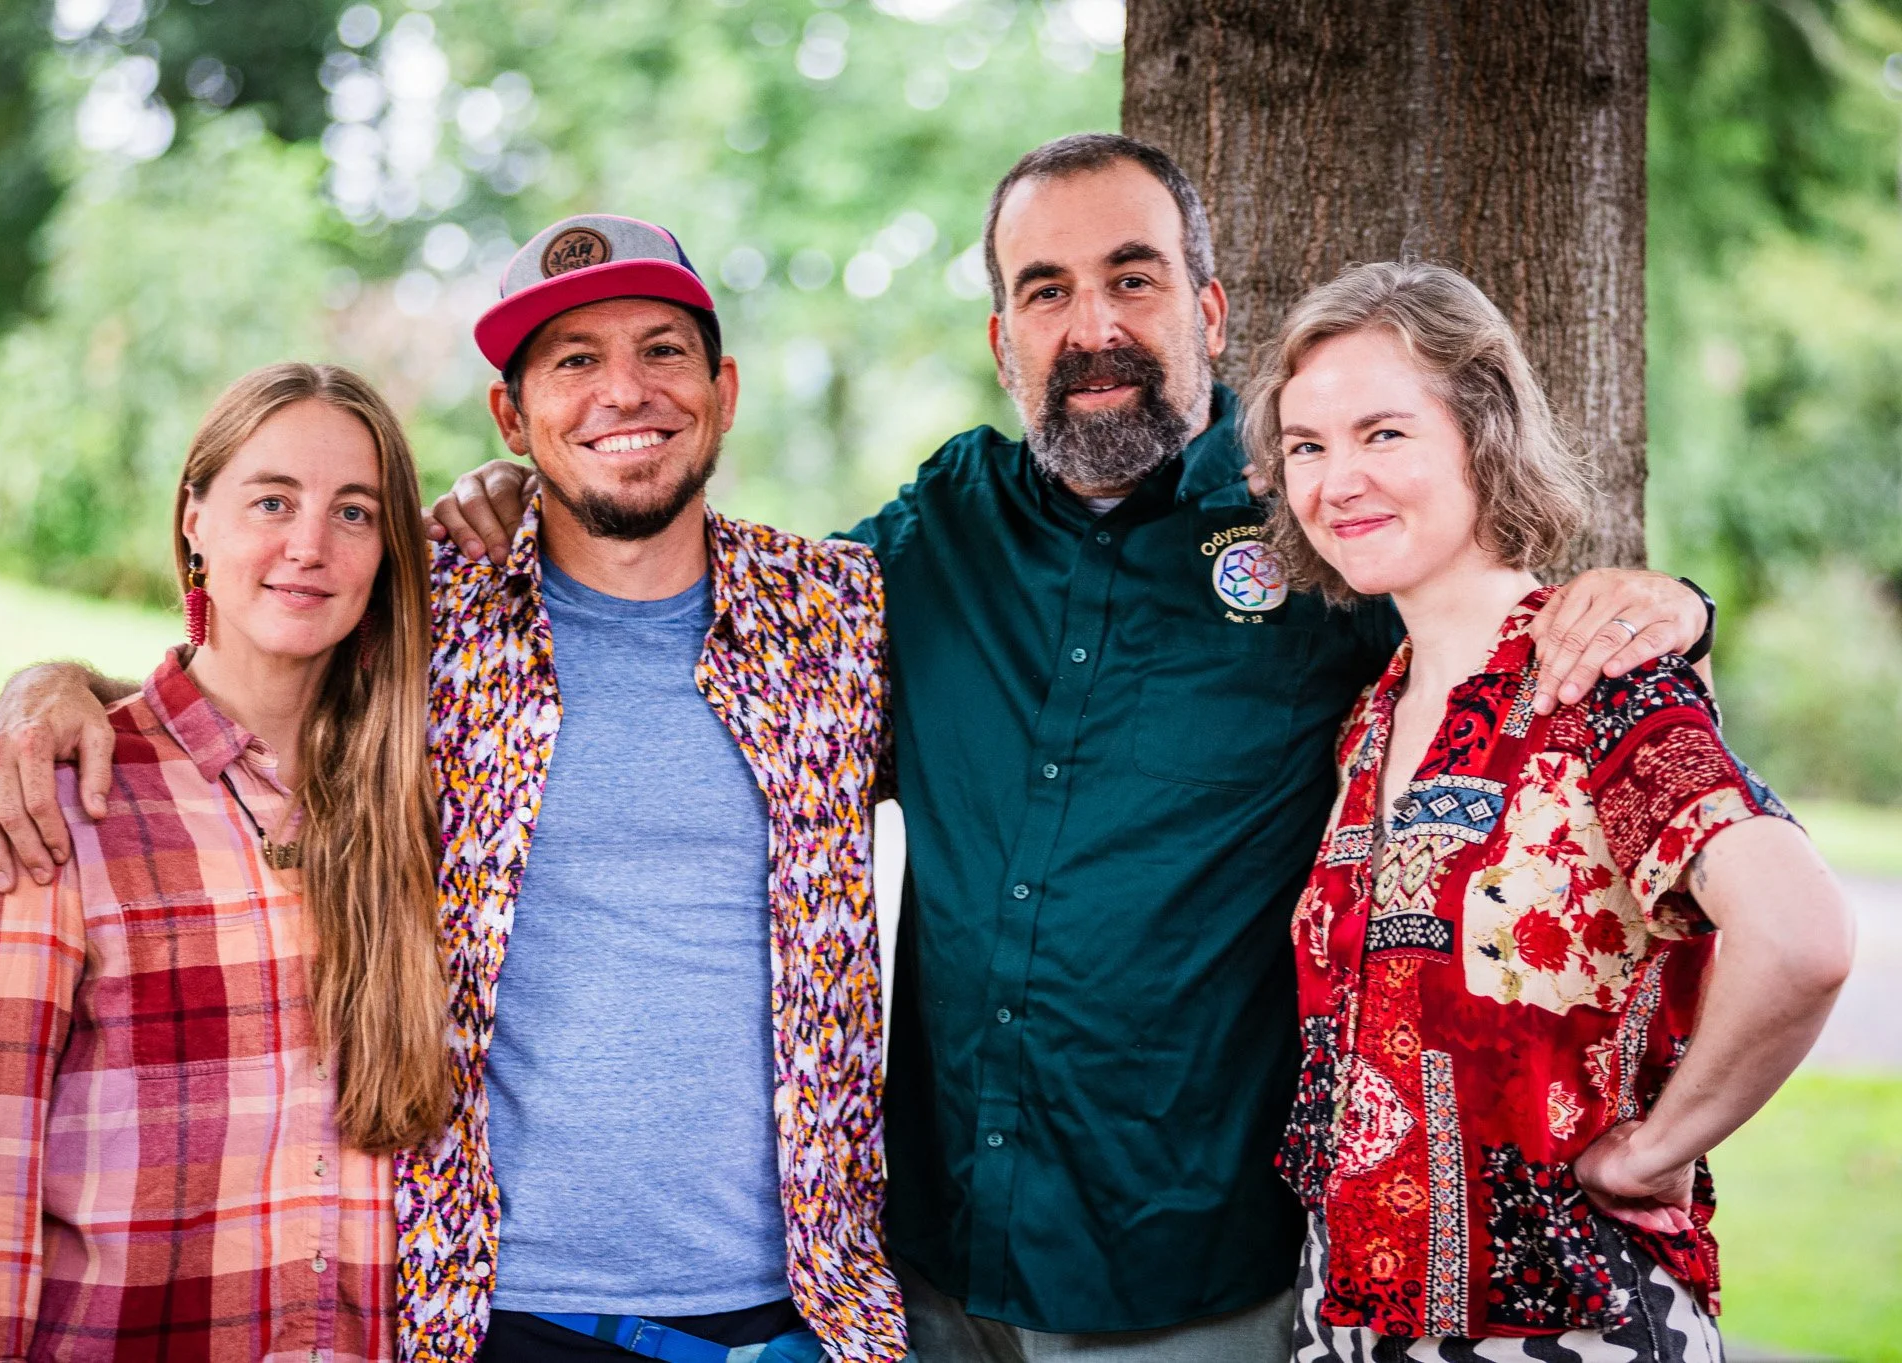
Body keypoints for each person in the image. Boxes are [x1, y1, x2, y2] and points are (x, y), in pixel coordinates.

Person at [425, 136, 1717, 1363]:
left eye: (1132, 278)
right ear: (1004, 339)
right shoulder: (935, 537)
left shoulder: (1322, 540)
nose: (1093, 326)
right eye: (1047, 290)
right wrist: (513, 499)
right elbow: (723, 618)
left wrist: (1668, 612)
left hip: (1188, 1271)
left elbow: (1499, 636)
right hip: (929, 1271)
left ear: (1209, 311)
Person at [0, 217, 908, 1363]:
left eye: (662, 350)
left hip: (804, 1309)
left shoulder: (840, 614)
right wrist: (51, 690)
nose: (623, 390)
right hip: (491, 1312)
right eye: (573, 361)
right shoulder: (424, 614)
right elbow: (237, 682)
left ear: (723, 387)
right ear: (512, 414)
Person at [1241, 261, 1853, 1361]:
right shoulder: (1371, 717)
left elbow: (1800, 938)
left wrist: (1654, 1146)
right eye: (1305, 445)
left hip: (1567, 1327)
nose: (1336, 480)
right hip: (1345, 1322)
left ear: (1481, 432)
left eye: (1382, 433)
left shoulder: (1597, 683)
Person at [0, 362, 449, 1361]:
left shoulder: (415, 799)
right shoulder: (66, 790)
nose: (309, 545)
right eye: (271, 500)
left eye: (354, 512)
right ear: (194, 519)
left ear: (388, 551)